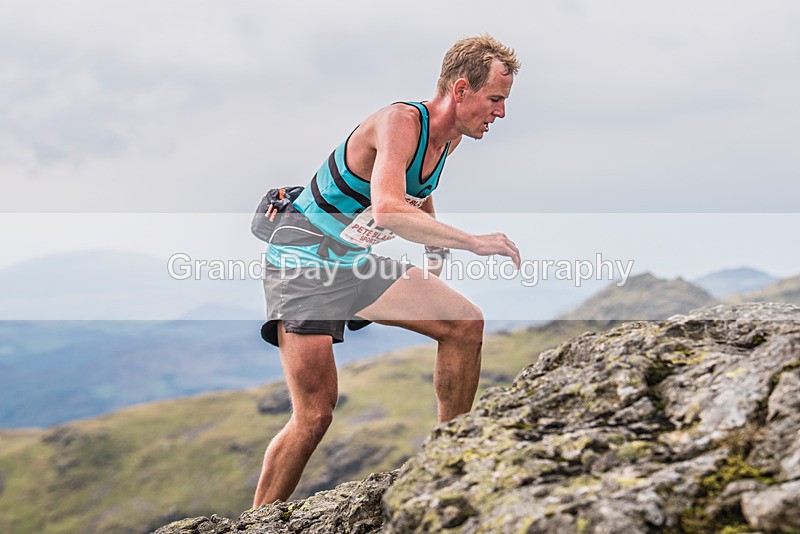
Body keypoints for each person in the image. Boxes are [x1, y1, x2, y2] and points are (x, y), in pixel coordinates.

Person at [253, 34, 521, 507]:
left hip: (353, 263)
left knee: (465, 324)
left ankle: (449, 457)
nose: (500, 112)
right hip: (303, 265)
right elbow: (389, 209)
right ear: (461, 90)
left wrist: (435, 246)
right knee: (315, 414)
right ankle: (257, 523)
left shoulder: (450, 139)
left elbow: (416, 190)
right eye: (495, 99)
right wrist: (472, 241)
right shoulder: (399, 122)